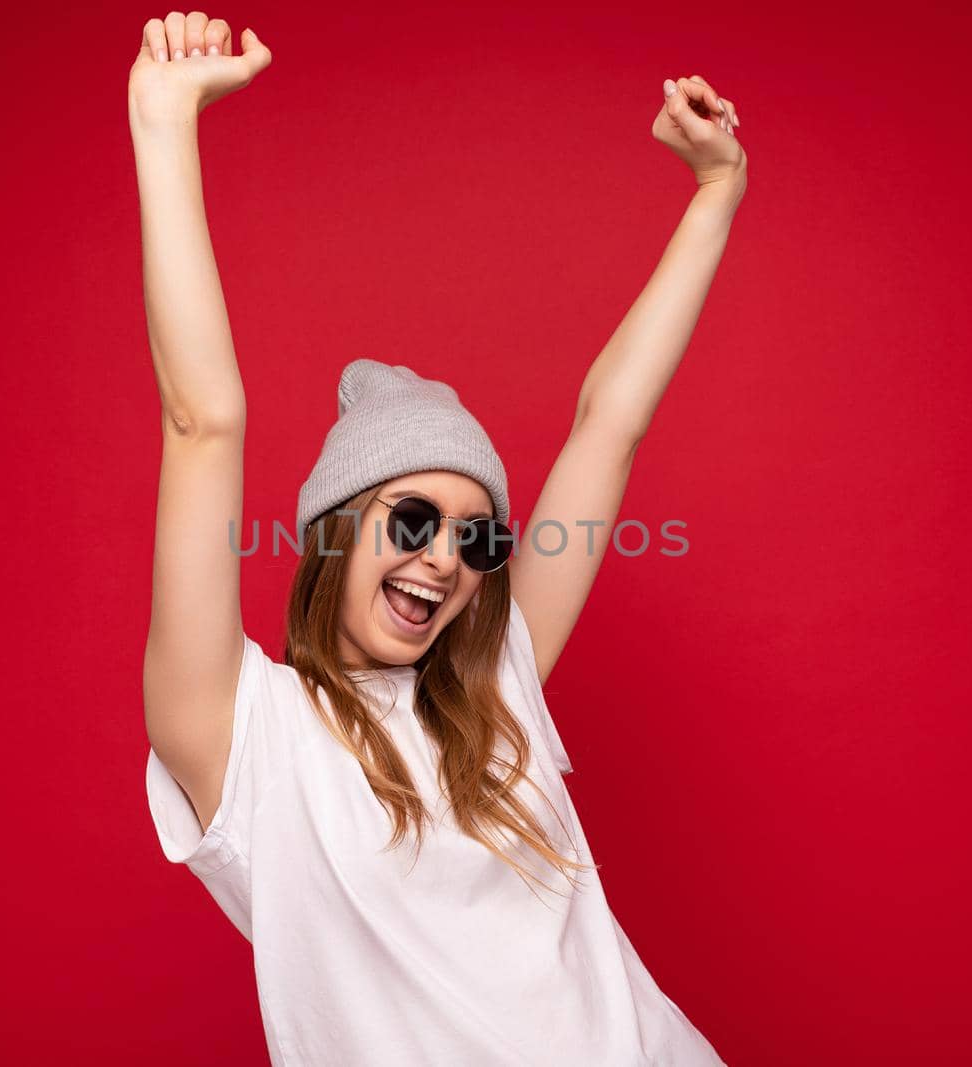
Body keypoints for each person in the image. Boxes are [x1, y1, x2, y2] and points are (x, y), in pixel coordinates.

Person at [128, 11, 747, 1065]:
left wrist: (715, 192)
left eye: (476, 539)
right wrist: (162, 120)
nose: (444, 559)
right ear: (333, 533)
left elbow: (610, 422)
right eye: (410, 520)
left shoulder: (497, 684)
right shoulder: (249, 738)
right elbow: (201, 421)